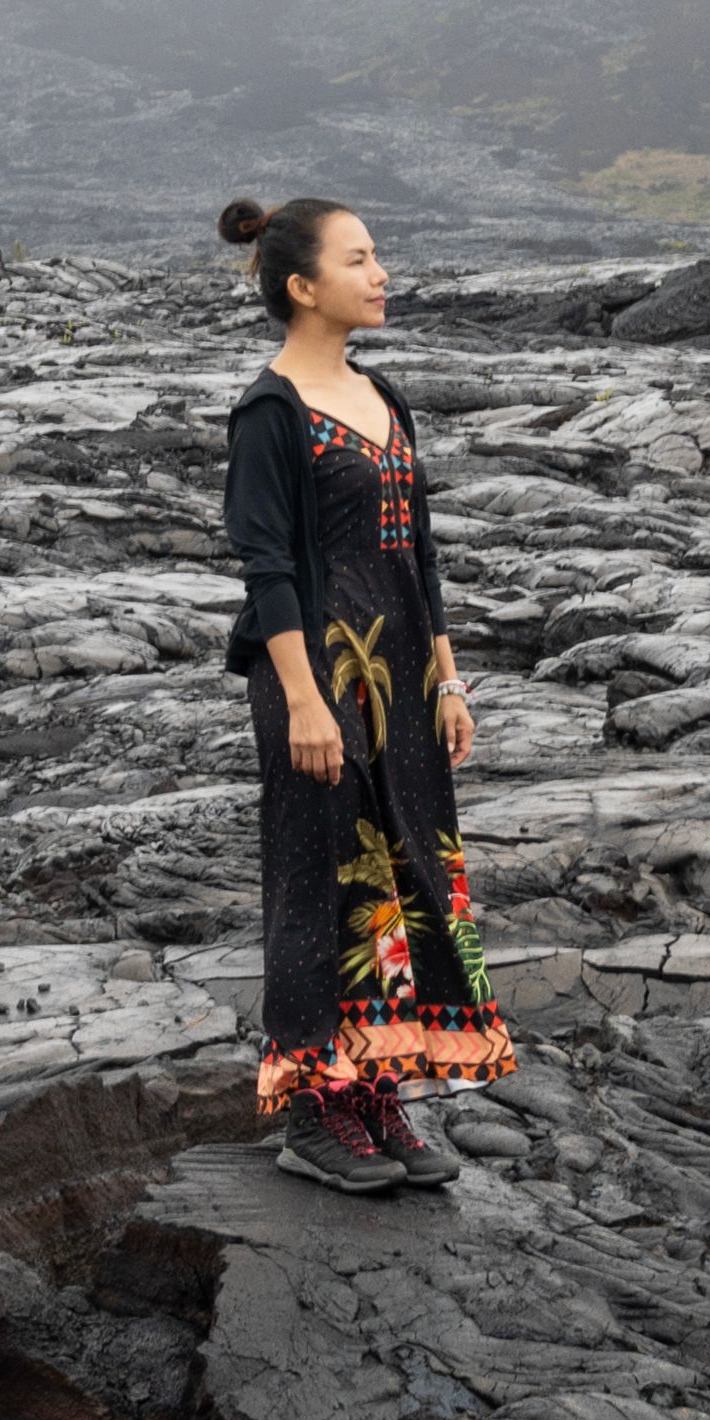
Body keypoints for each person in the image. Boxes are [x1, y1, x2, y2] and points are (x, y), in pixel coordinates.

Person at [216, 193, 511, 1192]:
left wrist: (449, 679)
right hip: (314, 680)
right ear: (302, 287)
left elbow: (418, 557)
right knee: (320, 880)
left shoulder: (383, 397)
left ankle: (376, 1091)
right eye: (360, 258)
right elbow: (267, 566)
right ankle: (310, 1109)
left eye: (377, 255)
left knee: (400, 880)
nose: (381, 273)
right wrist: (302, 699)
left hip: (403, 687)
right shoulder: (270, 411)